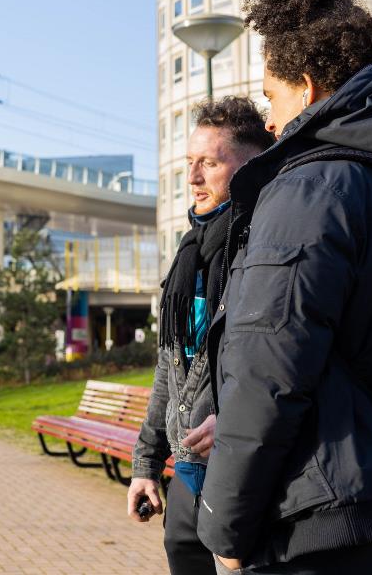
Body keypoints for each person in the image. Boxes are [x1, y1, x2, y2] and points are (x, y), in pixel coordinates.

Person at [194, 0, 372, 574]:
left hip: (313, 520)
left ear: (305, 89)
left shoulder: (310, 187)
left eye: (271, 99)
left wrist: (224, 525)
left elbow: (270, 368)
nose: (270, 121)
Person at [127, 97, 274, 575]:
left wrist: (233, 422)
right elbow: (170, 368)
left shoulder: (263, 248)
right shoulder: (189, 253)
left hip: (244, 478)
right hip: (186, 478)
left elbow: (279, 364)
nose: (192, 179)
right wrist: (147, 464)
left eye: (209, 163)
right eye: (189, 163)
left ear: (251, 165)